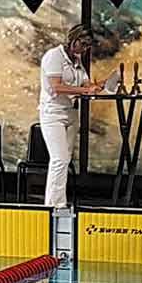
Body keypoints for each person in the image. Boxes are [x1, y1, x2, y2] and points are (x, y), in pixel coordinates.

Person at [38, 25, 104, 210]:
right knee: (59, 159)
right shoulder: (54, 56)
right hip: (53, 113)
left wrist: (98, 86)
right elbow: (56, 87)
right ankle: (54, 205)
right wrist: (84, 90)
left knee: (65, 159)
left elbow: (85, 83)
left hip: (71, 113)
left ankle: (58, 201)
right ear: (73, 40)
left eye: (88, 46)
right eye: (83, 44)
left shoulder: (77, 60)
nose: (84, 49)